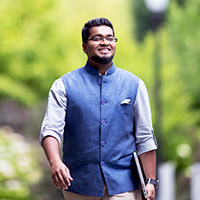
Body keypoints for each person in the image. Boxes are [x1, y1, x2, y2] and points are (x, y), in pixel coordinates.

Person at [40, 18, 158, 200]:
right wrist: (55, 162)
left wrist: (151, 180)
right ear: (84, 46)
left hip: (124, 184)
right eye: (97, 38)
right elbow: (51, 129)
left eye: (110, 38)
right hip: (77, 184)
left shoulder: (135, 85)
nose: (105, 42)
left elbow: (144, 136)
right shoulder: (63, 85)